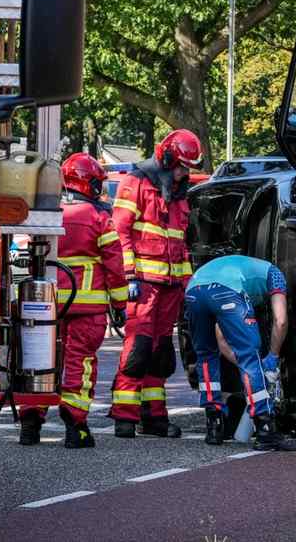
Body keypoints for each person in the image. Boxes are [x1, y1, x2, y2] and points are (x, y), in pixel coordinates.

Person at [20, 153, 128, 447]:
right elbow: (115, 265)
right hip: (86, 307)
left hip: (45, 305)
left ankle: (30, 423)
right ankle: (75, 427)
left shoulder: (46, 212)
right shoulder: (97, 218)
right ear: (87, 183)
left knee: (40, 361)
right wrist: (119, 305)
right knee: (80, 364)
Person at [108, 129, 202, 438]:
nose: (185, 174)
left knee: (161, 352)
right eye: (182, 167)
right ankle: (124, 416)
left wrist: (187, 283)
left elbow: (180, 243)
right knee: (139, 347)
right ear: (166, 158)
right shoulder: (135, 183)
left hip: (170, 285)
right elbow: (119, 234)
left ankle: (155, 416)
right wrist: (129, 276)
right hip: (144, 284)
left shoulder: (177, 193)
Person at [185, 254, 296, 451]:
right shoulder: (275, 274)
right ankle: (265, 430)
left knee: (205, 356)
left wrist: (250, 370)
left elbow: (221, 340)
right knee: (250, 355)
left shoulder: (244, 274)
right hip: (225, 290)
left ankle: (214, 425)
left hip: (194, 289)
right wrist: (270, 358)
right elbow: (280, 321)